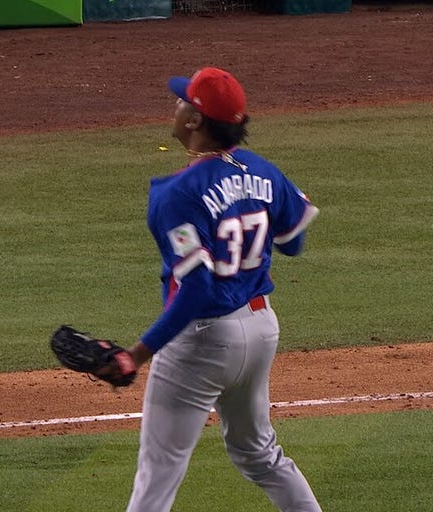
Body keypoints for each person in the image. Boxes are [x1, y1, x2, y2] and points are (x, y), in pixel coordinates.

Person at [119, 67, 323, 512]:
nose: (175, 106)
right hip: (260, 329)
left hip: (203, 341)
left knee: (158, 472)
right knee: (260, 454)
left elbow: (194, 290)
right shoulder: (263, 170)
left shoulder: (177, 194)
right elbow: (294, 243)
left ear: (195, 121)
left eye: (182, 101)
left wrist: (136, 354)